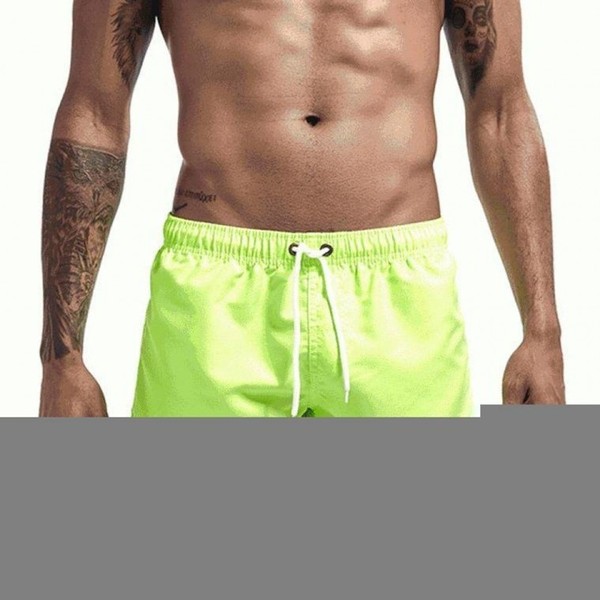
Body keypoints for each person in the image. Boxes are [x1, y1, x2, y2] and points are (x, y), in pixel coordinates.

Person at [39, 0, 565, 417]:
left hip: (401, 297)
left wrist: (542, 330)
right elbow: (96, 111)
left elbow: (500, 110)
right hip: (216, 302)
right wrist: (62, 357)